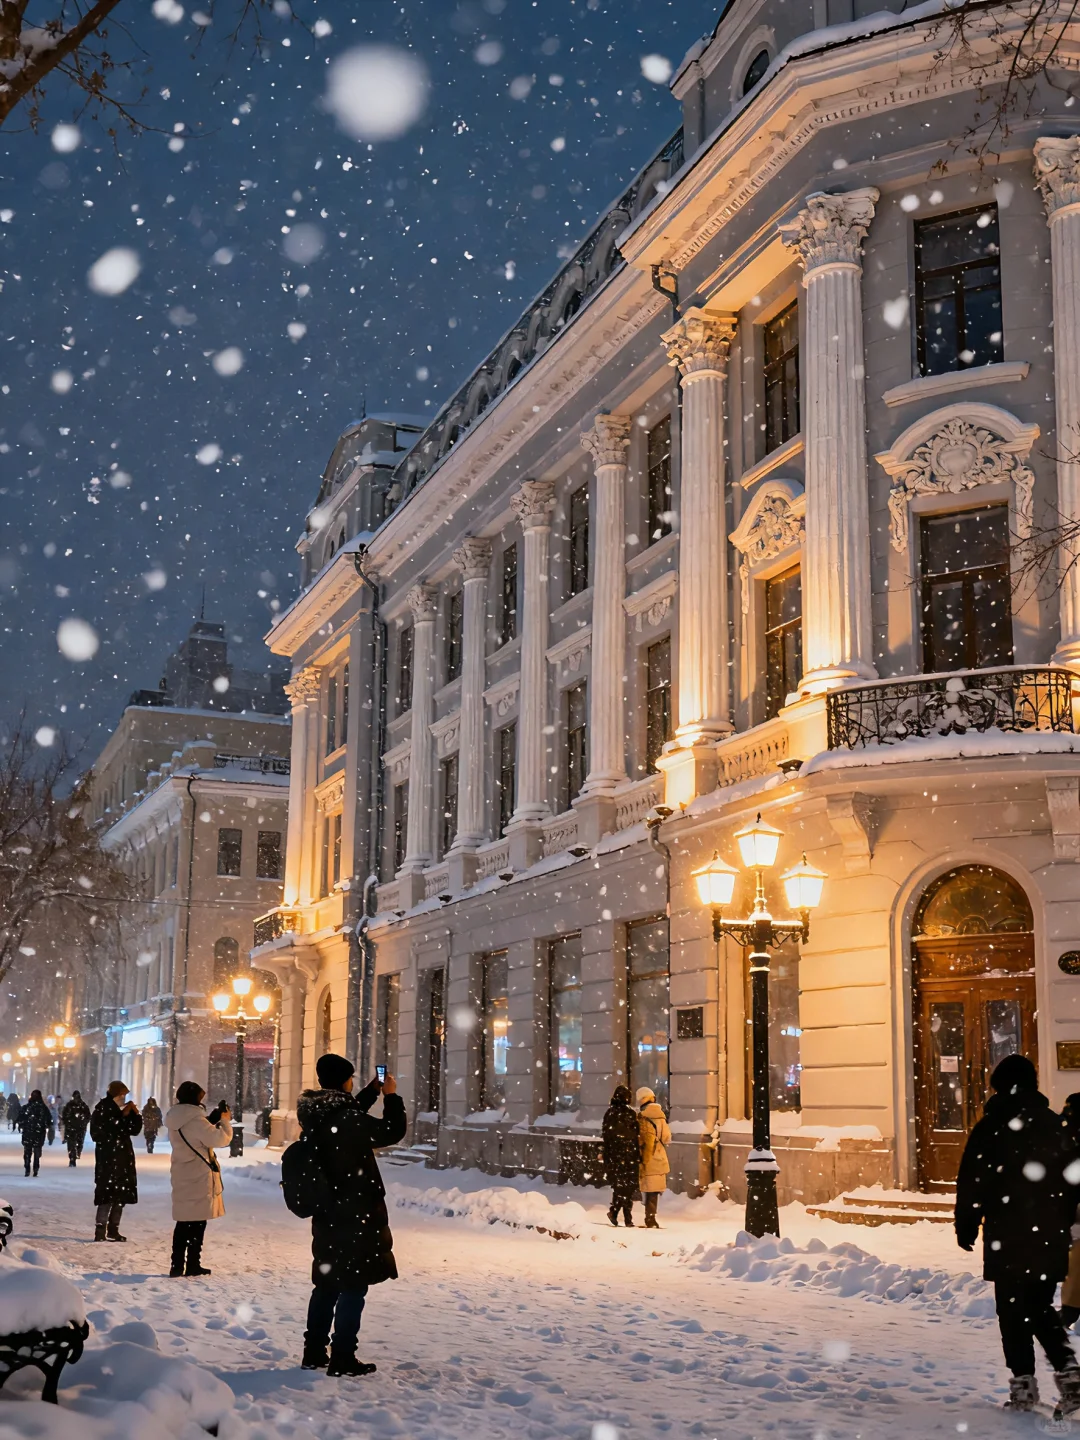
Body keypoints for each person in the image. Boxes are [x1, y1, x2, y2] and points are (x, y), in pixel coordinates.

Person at [956, 1054, 1080, 1414]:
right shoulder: (1054, 1125)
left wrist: (967, 1222)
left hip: (1007, 1234)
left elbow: (971, 1182)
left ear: (998, 1086)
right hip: (1048, 1234)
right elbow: (1073, 1179)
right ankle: (1069, 1376)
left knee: (1012, 1311)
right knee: (1039, 1306)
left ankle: (1024, 1386)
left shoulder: (991, 1126)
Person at [296, 1053, 406, 1377]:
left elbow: (346, 1114)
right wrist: (392, 1097)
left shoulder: (318, 1113)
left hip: (328, 1212)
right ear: (346, 1081)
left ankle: (314, 1351)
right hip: (355, 1212)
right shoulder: (347, 1120)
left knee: (327, 1283)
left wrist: (372, 1091)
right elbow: (390, 1131)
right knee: (354, 1285)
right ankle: (343, 1355)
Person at [165, 1081, 232, 1278]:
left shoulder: (176, 1116)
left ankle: (177, 1265)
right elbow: (218, 1139)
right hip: (198, 1175)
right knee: (197, 1223)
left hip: (182, 1172)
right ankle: (193, 1264)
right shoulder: (195, 1119)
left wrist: (211, 1119)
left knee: (184, 1221)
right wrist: (225, 1121)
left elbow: (195, 1134)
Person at [89, 1080, 143, 1241]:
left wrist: (135, 1114)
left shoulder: (120, 1110)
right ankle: (100, 1231)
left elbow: (133, 1130)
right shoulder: (103, 1109)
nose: (123, 1098)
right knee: (106, 1195)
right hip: (108, 1159)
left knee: (120, 1196)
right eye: (122, 1095)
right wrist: (120, 1117)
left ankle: (114, 1229)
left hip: (123, 1159)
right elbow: (98, 1134)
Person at [601, 1085, 640, 1227]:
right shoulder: (630, 1114)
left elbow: (606, 1136)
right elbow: (635, 1135)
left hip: (616, 1156)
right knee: (625, 1187)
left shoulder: (610, 1113)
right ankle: (625, 1217)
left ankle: (616, 1213)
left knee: (620, 1186)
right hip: (627, 1155)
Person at [636, 1086, 671, 1231]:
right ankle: (650, 1217)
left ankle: (631, 1215)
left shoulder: (640, 1116)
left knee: (645, 1186)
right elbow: (667, 1138)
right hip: (658, 1156)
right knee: (653, 1190)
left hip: (644, 1156)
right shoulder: (661, 1117)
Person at [18, 1089, 51, 1177]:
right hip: (38, 1133)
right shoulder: (43, 1108)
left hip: (28, 1132)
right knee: (36, 1151)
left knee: (28, 1151)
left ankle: (27, 1167)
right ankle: (35, 1168)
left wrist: (22, 1125)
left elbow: (20, 1118)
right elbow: (49, 1120)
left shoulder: (27, 1107)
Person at [62, 1091, 91, 1167]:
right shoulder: (72, 1105)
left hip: (77, 1128)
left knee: (76, 1143)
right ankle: (73, 1157)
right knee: (74, 1143)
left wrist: (83, 1122)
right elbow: (64, 1115)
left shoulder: (81, 1106)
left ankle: (75, 1154)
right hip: (75, 1128)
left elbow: (88, 1116)